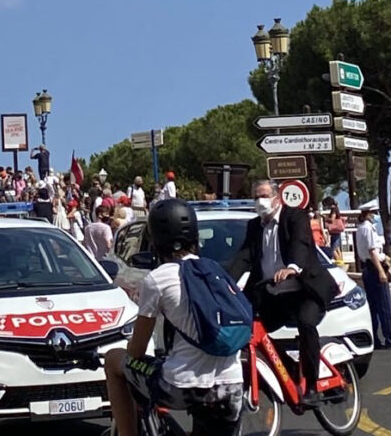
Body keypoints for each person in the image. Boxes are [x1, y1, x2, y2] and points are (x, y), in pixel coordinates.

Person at [105, 199, 243, 436]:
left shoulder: (158, 279)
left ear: (156, 239)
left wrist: (132, 353)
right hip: (231, 385)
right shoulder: (217, 271)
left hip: (180, 386)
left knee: (113, 359)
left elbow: (137, 350)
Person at [231, 180, 337, 406]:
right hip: (275, 294)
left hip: (305, 290)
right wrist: (222, 282)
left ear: (277, 198)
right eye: (256, 197)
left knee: (305, 322)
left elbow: (301, 243)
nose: (260, 201)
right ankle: (288, 367)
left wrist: (292, 267)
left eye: (264, 195)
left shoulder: (295, 217)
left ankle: (311, 385)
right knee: (250, 330)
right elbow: (244, 258)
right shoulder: (254, 227)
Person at [354, 206, 391, 348]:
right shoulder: (368, 229)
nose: (375, 215)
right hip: (374, 269)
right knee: (384, 306)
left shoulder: (361, 228)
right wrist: (381, 271)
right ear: (368, 213)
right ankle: (389, 338)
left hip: (368, 269)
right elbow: (372, 252)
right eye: (374, 213)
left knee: (374, 307)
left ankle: (375, 339)